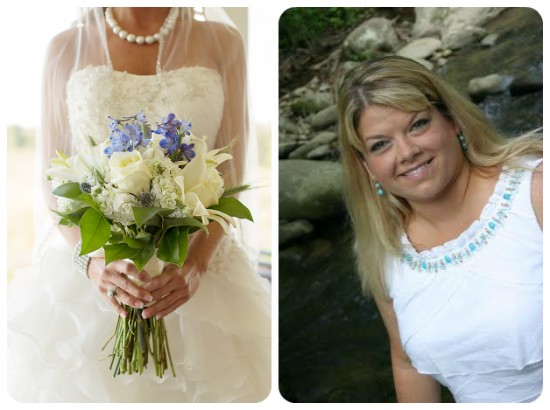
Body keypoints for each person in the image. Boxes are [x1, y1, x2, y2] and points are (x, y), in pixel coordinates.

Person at [8, 7, 271, 402]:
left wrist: (196, 266)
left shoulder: (223, 41)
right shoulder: (64, 48)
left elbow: (230, 175)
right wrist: (94, 262)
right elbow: (53, 184)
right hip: (98, 277)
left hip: (199, 271)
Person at [337, 56, 542, 403]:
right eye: (380, 145)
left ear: (452, 121)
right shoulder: (383, 250)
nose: (407, 152)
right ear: (367, 167)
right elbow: (406, 364)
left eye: (417, 125)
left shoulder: (536, 193)